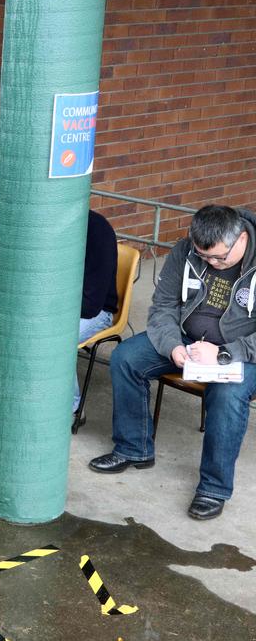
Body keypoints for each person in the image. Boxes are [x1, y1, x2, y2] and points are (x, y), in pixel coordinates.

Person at [89, 205, 256, 521]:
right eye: (204, 257)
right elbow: (163, 306)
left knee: (226, 394)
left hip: (244, 353)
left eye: (219, 258)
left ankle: (213, 488)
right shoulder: (186, 251)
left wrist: (223, 354)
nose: (211, 263)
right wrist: (173, 346)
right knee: (126, 358)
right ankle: (133, 447)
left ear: (242, 238)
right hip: (188, 341)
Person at [0, 209, 118, 412]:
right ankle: (11, 390)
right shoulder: (36, 223)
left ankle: (69, 407)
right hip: (42, 305)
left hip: (93, 311)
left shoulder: (97, 230)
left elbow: (90, 306)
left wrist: (40, 308)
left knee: (48, 336)